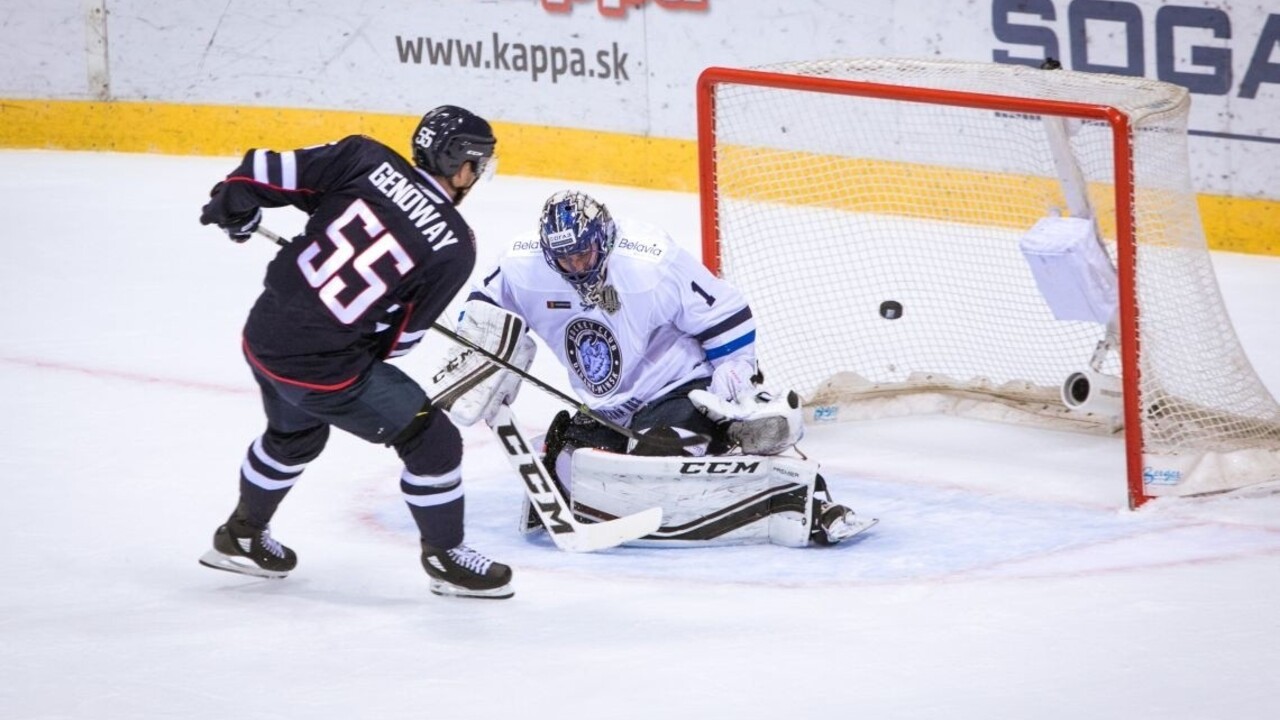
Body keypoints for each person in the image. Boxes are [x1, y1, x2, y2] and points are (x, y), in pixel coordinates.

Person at [195, 105, 514, 599]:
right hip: (325, 368)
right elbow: (399, 342)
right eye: (478, 165)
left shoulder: (363, 158)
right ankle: (446, 557)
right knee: (432, 440)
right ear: (461, 165)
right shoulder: (455, 245)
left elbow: (259, 173)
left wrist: (234, 207)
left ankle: (242, 534)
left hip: (264, 335)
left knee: (295, 437)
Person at [460, 190, 874, 547]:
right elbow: (481, 312)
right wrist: (485, 362)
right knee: (570, 468)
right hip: (607, 407)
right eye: (564, 259)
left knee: (658, 463)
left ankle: (786, 485)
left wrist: (733, 376)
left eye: (583, 254)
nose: (576, 267)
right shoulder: (521, 265)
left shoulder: (650, 261)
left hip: (676, 387)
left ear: (603, 238)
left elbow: (725, 314)